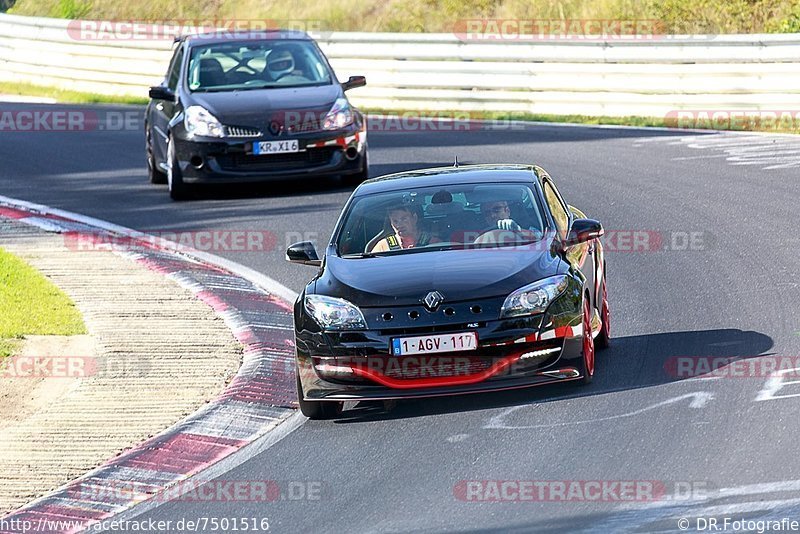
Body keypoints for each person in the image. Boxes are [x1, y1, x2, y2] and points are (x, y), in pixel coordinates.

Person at [370, 205, 438, 252]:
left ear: (414, 218)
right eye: (395, 221)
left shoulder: (433, 243)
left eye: (404, 219)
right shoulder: (383, 246)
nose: (399, 225)